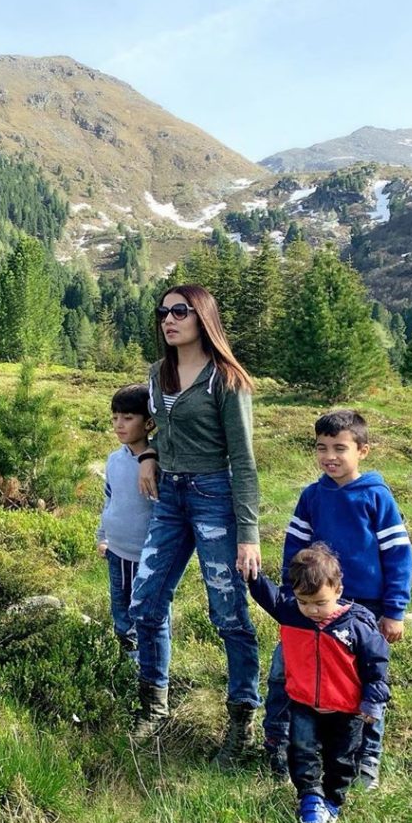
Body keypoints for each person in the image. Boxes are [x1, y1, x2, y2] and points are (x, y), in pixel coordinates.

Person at [129, 284, 262, 766]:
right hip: (170, 497)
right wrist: (147, 454)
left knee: (227, 612)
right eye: (163, 311)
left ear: (202, 317)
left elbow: (243, 460)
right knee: (145, 601)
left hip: (214, 498)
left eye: (180, 311)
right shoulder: (157, 373)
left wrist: (248, 534)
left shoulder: (226, 380)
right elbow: (153, 427)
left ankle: (242, 721)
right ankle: (154, 706)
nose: (168, 319)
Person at [262, 409, 412, 789]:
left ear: (363, 450)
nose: (330, 456)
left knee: (365, 682)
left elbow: (398, 555)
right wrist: (291, 595)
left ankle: (366, 758)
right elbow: (295, 549)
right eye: (322, 447)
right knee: (285, 672)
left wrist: (394, 611)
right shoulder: (311, 496)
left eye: (340, 448)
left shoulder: (377, 496)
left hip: (366, 608)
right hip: (311, 605)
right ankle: (279, 743)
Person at [249, 542, 390, 823]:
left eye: (320, 603)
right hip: (303, 704)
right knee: (301, 751)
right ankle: (310, 797)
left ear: (338, 590)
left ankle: (333, 801)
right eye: (304, 601)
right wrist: (251, 574)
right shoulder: (292, 614)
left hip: (346, 710)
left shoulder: (357, 626)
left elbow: (376, 667)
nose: (312, 610)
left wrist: (372, 701)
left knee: (341, 759)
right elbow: (267, 595)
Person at [95, 384, 156, 662]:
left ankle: (147, 664)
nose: (119, 425)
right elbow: (110, 500)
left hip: (144, 553)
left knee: (144, 609)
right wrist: (103, 536)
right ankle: (126, 659)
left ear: (149, 422)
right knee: (119, 605)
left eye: (128, 418)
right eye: (115, 418)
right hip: (116, 550)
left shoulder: (156, 465)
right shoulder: (114, 460)